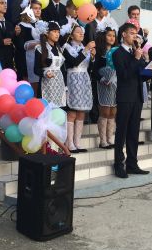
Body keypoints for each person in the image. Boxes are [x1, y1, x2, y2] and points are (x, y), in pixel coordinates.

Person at [112, 23, 152, 178]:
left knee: (133, 132)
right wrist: (136, 58)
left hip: (137, 96)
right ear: (123, 34)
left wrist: (151, 69)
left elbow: (142, 76)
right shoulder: (118, 53)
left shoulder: (136, 51)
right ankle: (119, 165)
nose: (134, 36)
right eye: (131, 33)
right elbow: (124, 75)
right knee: (122, 132)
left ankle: (132, 164)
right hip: (125, 97)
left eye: (136, 34)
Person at [62, 24, 95, 153]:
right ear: (71, 35)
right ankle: (69, 142)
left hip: (84, 79)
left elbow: (90, 67)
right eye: (78, 32)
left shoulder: (83, 47)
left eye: (82, 32)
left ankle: (77, 142)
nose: (81, 34)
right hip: (72, 79)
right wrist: (86, 50)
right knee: (72, 112)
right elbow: (74, 62)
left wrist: (92, 58)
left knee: (81, 112)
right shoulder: (66, 47)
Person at [93, 28, 118, 149]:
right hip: (103, 84)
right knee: (105, 111)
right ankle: (103, 141)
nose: (112, 38)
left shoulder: (117, 52)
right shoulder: (99, 52)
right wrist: (102, 79)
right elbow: (94, 70)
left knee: (113, 112)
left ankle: (110, 138)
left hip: (115, 84)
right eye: (109, 35)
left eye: (113, 35)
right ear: (104, 37)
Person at [34, 22, 67, 107]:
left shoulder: (59, 49)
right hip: (46, 84)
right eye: (54, 31)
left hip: (59, 83)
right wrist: (45, 73)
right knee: (46, 108)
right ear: (47, 33)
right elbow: (36, 69)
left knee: (59, 108)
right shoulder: (40, 49)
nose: (57, 34)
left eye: (58, 32)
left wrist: (65, 85)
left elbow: (62, 69)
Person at [20, 0, 45, 93]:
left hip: (41, 58)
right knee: (32, 87)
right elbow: (21, 45)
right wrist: (39, 43)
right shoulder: (22, 25)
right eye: (35, 8)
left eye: (39, 8)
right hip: (28, 59)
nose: (38, 10)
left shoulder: (43, 24)